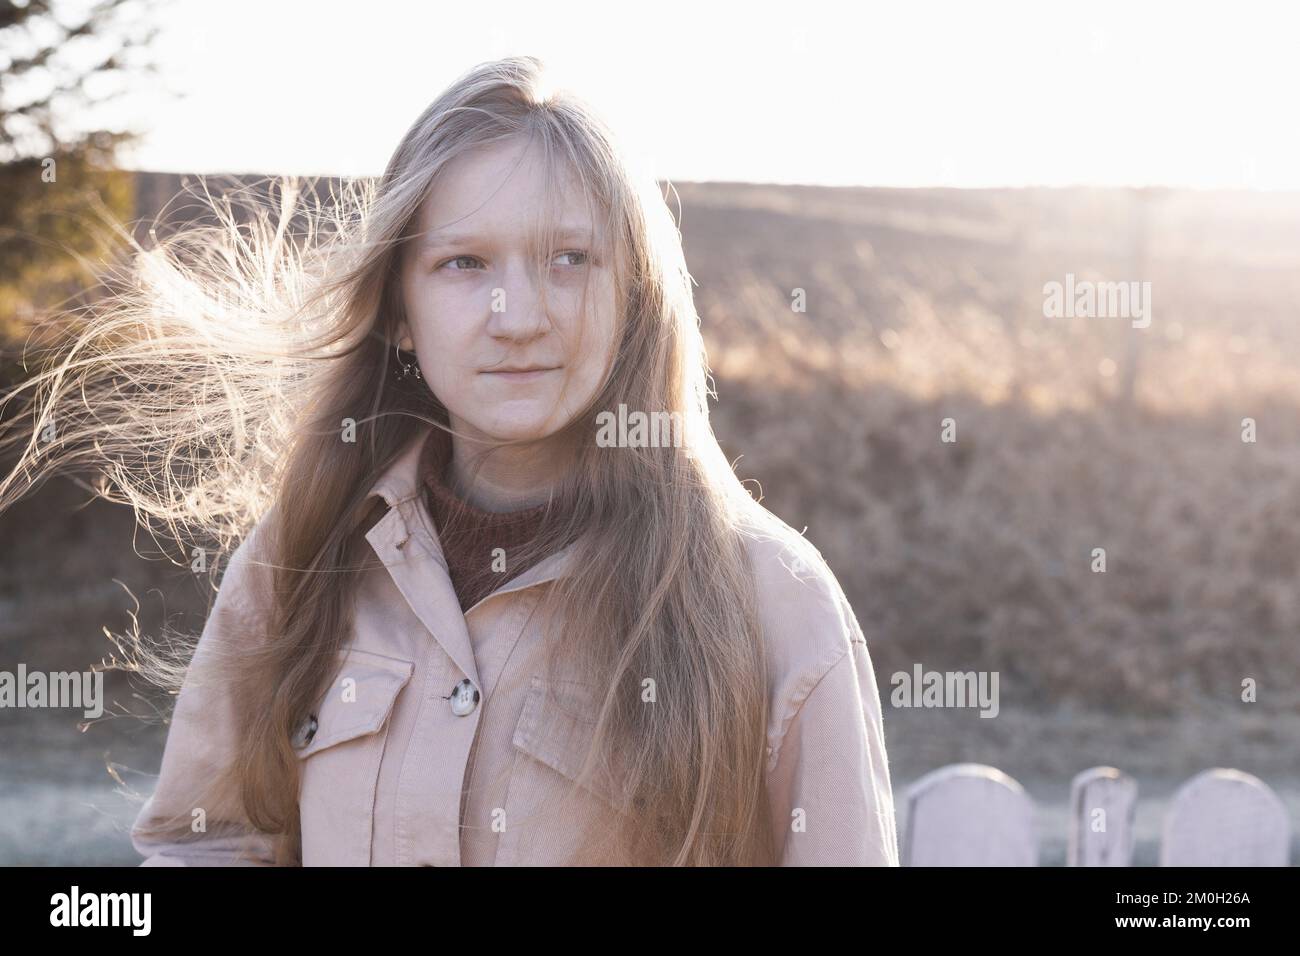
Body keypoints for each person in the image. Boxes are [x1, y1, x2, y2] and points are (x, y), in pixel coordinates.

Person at [0, 55, 898, 866]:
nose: (518, 314)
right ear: (398, 310)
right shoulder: (302, 557)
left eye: (569, 259)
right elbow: (207, 847)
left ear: (635, 296)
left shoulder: (772, 600)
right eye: (465, 263)